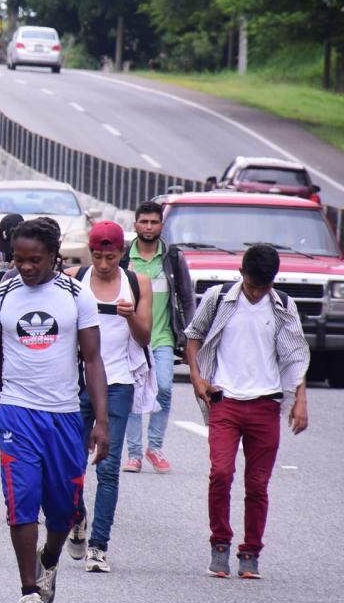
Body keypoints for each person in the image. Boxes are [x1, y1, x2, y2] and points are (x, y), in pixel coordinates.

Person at [0, 218, 109, 603]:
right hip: (17, 414)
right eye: (18, 259)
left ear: (54, 255)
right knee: (22, 503)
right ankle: (29, 591)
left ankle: (48, 558)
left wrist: (101, 420)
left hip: (65, 416)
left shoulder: (75, 295)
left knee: (65, 510)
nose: (26, 268)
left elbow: (93, 359)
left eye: (35, 260)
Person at [185, 244, 309, 580]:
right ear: (241, 274)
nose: (256, 293)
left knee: (257, 484)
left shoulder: (283, 305)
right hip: (225, 400)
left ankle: (251, 551)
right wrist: (198, 379)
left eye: (263, 287)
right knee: (221, 473)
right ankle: (220, 544)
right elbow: (193, 337)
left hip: (266, 405)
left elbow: (296, 355)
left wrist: (300, 400)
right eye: (252, 286)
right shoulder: (219, 297)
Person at [62, 222, 152, 573]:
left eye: (110, 257)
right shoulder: (73, 279)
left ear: (121, 252)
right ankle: (78, 518)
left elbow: (144, 338)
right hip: (75, 384)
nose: (102, 264)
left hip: (118, 383)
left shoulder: (136, 283)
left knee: (109, 467)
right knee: (69, 465)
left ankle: (99, 547)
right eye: (97, 256)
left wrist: (130, 318)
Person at [122, 200, 195, 474]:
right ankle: (134, 454)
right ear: (135, 224)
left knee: (163, 387)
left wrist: (189, 337)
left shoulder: (172, 258)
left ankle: (155, 447)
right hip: (131, 338)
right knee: (131, 394)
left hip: (163, 338)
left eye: (154, 222)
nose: (149, 227)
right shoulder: (123, 257)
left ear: (161, 225)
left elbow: (187, 299)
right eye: (144, 222)